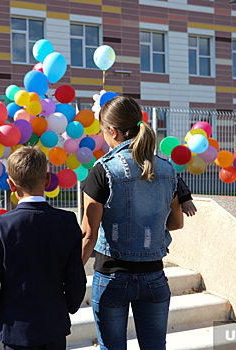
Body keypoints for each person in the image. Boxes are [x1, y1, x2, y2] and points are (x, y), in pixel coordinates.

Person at [80, 96, 184, 350]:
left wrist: (69, 274)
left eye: (103, 131)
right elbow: (177, 222)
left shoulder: (102, 171)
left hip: (112, 278)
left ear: (112, 131)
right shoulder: (167, 170)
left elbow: (88, 235)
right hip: (154, 278)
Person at [0, 146, 87, 350]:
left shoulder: (0, 225)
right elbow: (76, 277)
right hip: (53, 325)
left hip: (15, 329)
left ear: (11, 184)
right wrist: (69, 306)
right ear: (47, 181)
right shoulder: (67, 221)